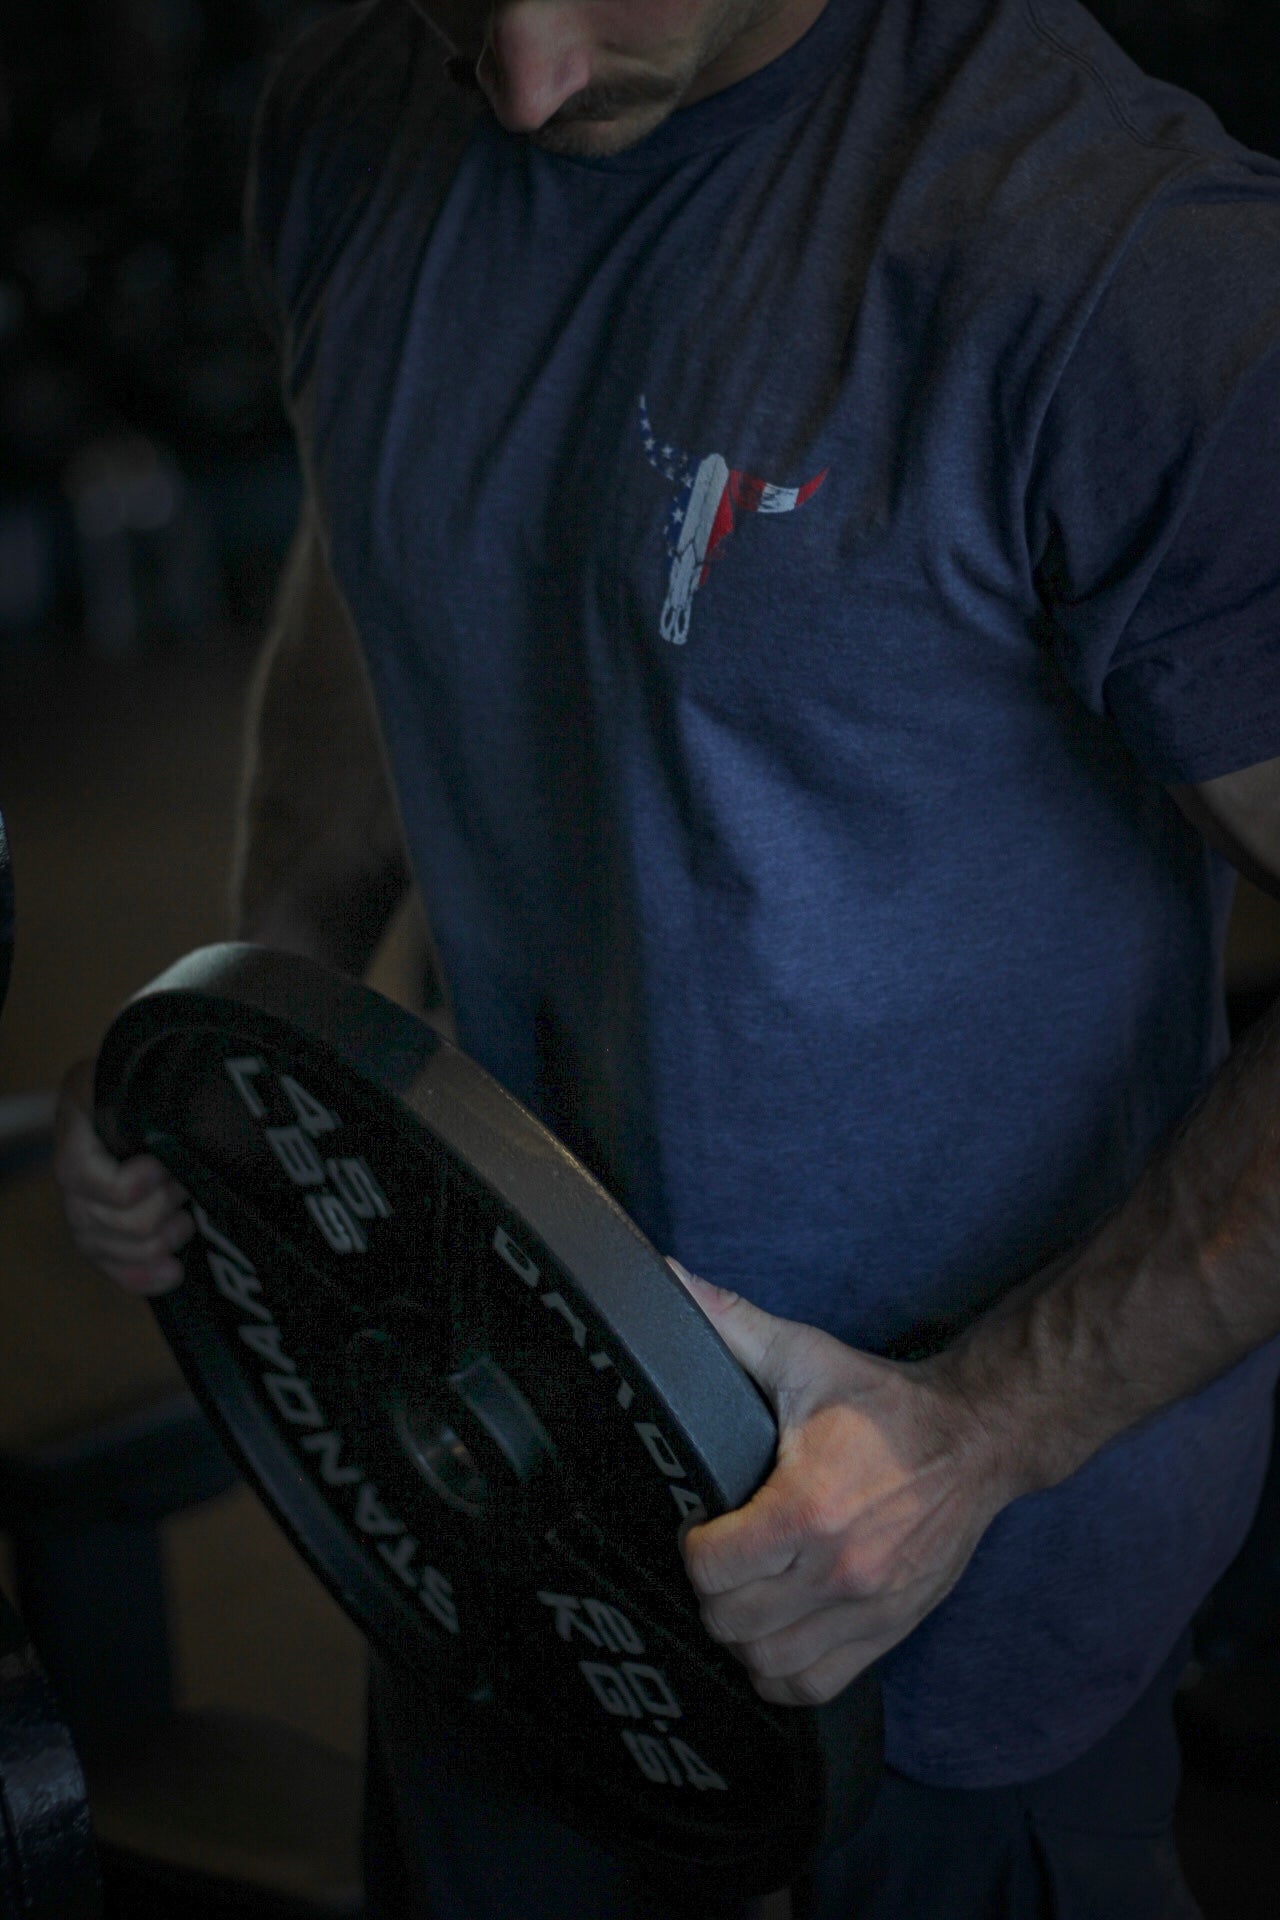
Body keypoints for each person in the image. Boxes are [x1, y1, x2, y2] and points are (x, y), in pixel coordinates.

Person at [54, 0, 1280, 1913]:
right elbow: (383, 536)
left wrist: (985, 1435)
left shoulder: (1118, 267)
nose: (529, 81)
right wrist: (267, 991)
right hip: (495, 1504)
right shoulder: (362, 105)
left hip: (945, 1597)